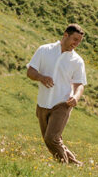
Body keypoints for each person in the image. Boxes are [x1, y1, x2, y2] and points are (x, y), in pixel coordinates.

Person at [27, 24, 87, 165]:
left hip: (63, 104)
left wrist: (76, 97)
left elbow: (80, 84)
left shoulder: (77, 61)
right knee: (52, 140)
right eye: (75, 39)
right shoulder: (44, 50)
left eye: (79, 41)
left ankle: (63, 167)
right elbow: (30, 72)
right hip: (42, 103)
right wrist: (41, 77)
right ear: (65, 35)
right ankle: (76, 165)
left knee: (51, 138)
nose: (76, 44)